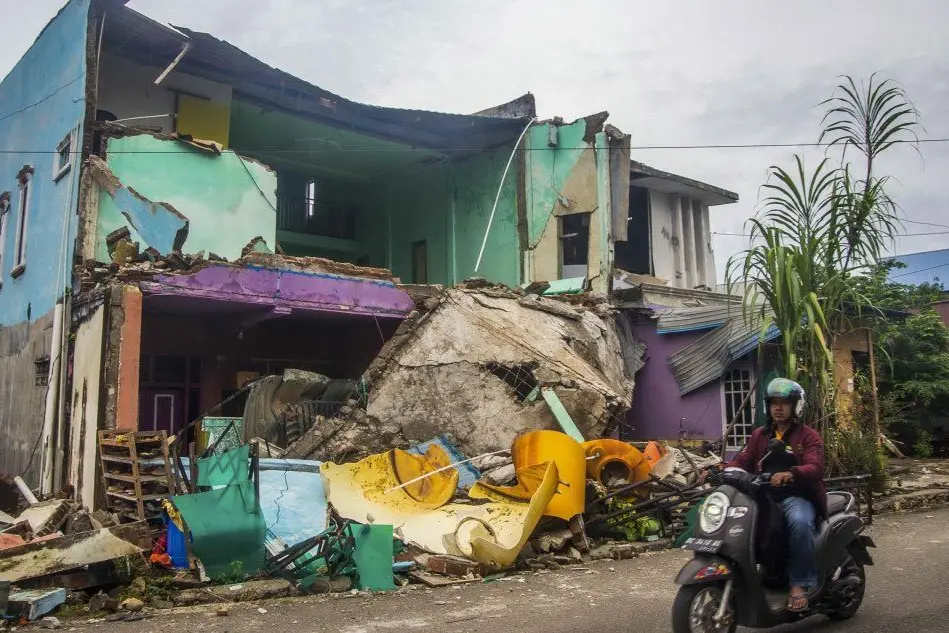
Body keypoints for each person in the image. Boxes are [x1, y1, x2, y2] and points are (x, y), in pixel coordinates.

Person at [703, 377, 827, 612]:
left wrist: (791, 473)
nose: (778, 408)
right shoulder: (760, 435)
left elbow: (816, 467)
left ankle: (800, 584)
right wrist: (719, 468)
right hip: (764, 494)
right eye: (773, 403)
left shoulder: (808, 436)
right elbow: (744, 461)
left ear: (795, 406)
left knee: (800, 523)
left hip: (797, 495)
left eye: (783, 403)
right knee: (738, 525)